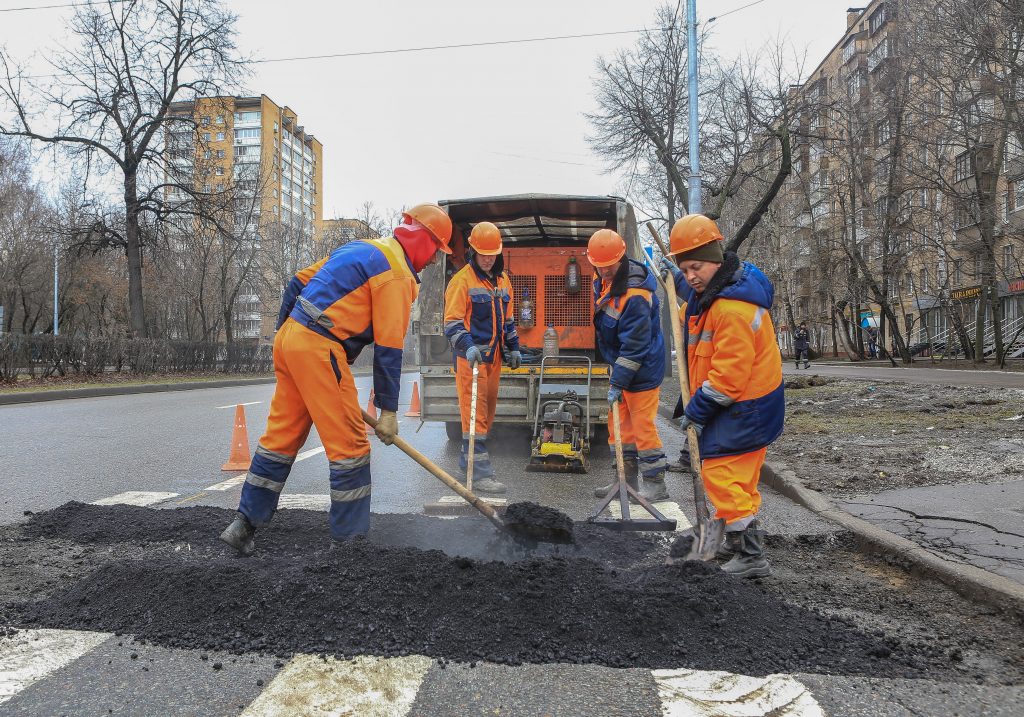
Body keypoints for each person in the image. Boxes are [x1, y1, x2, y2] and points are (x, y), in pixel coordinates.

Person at [219, 203, 453, 555]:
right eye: (437, 250)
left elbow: (297, 281)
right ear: (424, 240)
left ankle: (244, 525)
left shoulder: (362, 248)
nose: (435, 260)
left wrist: (288, 334)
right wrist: (388, 412)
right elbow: (389, 349)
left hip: (291, 338)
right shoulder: (397, 274)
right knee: (351, 450)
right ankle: (350, 546)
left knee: (281, 439)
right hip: (320, 348)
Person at [660, 214, 784, 578]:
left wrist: (696, 411)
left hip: (745, 407)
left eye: (696, 266)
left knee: (719, 473)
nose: (691, 276)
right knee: (740, 481)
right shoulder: (719, 295)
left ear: (716, 259)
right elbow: (694, 311)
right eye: (685, 269)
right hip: (752, 406)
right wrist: (674, 285)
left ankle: (750, 555)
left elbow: (728, 377)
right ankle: (735, 542)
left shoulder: (731, 309)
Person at [587, 229, 669, 502]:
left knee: (642, 426)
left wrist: (619, 380)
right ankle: (624, 482)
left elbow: (635, 345)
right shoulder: (602, 280)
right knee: (619, 425)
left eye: (609, 265)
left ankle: (655, 484)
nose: (604, 270)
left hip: (642, 368)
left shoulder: (635, 293)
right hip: (620, 364)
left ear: (621, 258)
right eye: (599, 265)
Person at [443, 221, 521, 493]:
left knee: (485, 415)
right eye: (483, 254)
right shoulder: (461, 281)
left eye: (492, 254)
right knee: (474, 416)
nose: (488, 260)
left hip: (494, 359)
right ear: (473, 251)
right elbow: (452, 324)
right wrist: (468, 346)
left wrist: (514, 347)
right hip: (470, 361)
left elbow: (508, 320)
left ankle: (468, 464)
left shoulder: (502, 280)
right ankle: (481, 475)